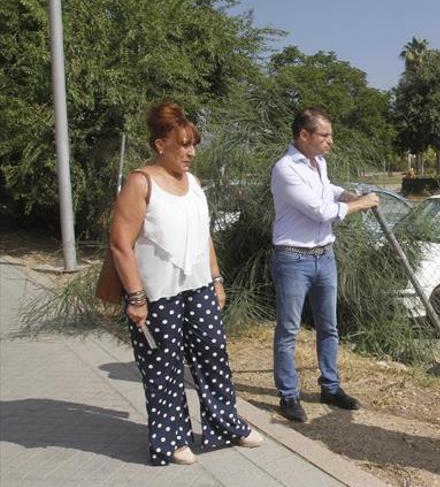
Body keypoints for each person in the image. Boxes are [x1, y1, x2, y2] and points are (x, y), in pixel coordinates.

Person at [109, 101, 262, 466]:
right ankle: (171, 439)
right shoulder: (139, 182)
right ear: (161, 144)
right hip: (156, 294)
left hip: (199, 288)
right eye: (183, 144)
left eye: (194, 144)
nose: (191, 152)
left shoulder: (193, 182)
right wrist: (135, 297)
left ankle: (226, 424)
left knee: (213, 354)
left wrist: (216, 278)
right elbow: (119, 243)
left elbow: (204, 233)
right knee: (163, 366)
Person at [270, 107, 380, 423]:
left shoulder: (319, 163)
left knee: (329, 327)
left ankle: (330, 387)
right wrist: (361, 203)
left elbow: (326, 190)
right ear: (304, 135)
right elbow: (319, 210)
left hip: (324, 256)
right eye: (324, 135)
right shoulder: (285, 168)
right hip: (293, 258)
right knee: (289, 330)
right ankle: (288, 395)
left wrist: (347, 193)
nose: (331, 141)